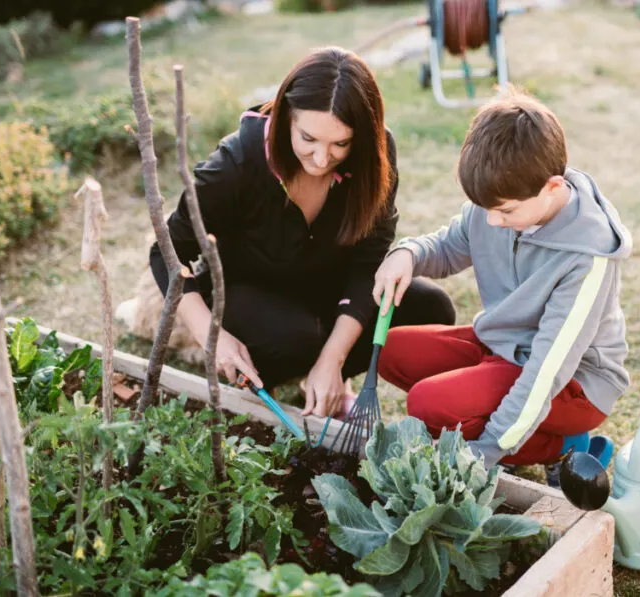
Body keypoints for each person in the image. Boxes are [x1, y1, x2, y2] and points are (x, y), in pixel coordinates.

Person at [149, 46, 455, 419]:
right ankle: (273, 371)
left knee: (430, 307)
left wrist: (334, 360)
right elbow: (166, 251)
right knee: (296, 338)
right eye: (308, 139)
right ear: (285, 118)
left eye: (340, 143)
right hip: (250, 295)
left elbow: (367, 263)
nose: (322, 159)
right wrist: (212, 337)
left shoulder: (375, 156)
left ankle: (325, 379)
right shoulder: (236, 163)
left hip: (328, 290)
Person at [372, 88, 631, 476]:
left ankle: (562, 445)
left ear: (553, 188)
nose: (492, 221)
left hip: (573, 383)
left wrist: (486, 451)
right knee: (392, 350)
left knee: (428, 404)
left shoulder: (586, 257)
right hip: (503, 346)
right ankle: (485, 413)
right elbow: (449, 246)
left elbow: (547, 371)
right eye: (486, 209)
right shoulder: (500, 201)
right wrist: (406, 253)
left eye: (505, 211)